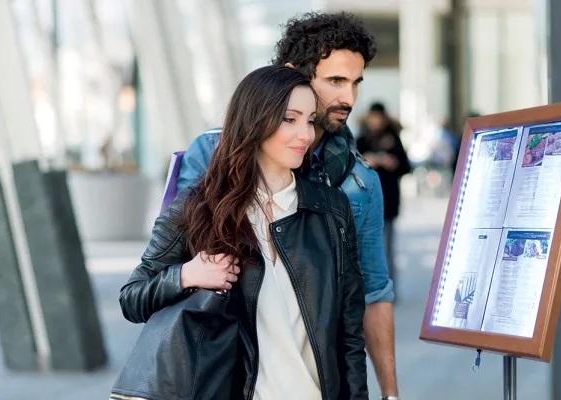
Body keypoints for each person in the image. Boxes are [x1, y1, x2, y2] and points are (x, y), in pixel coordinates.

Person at [178, 12, 399, 398]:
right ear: (294, 76)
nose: (349, 99)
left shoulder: (359, 183)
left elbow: (373, 296)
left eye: (355, 83)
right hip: (227, 376)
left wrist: (390, 394)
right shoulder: (212, 153)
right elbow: (171, 263)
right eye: (335, 81)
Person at [120, 65, 368, 399]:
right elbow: (132, 297)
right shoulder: (200, 205)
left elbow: (350, 333)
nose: (306, 135)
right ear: (255, 120)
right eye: (290, 119)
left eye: (310, 120)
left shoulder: (331, 209)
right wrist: (187, 274)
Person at [356, 102, 411, 296]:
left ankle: (387, 290)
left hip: (388, 203)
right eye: (373, 117)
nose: (376, 121)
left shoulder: (393, 139)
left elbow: (406, 167)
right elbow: (350, 168)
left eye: (378, 118)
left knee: (387, 248)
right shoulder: (361, 140)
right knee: (365, 249)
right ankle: (370, 289)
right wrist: (365, 161)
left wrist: (392, 162)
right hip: (365, 203)